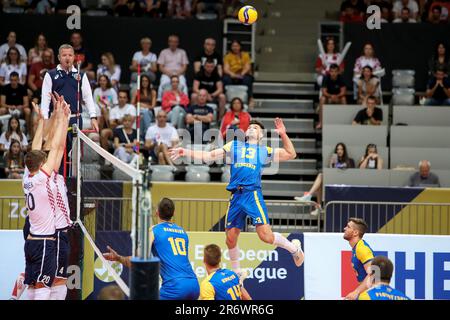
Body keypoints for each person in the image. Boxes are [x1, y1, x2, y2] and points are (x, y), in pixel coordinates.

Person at [170, 118, 305, 277]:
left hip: (252, 194)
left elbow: (291, 154)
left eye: (255, 128)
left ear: (261, 135)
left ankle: (295, 249)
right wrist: (185, 152)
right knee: (230, 239)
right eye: (250, 127)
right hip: (236, 196)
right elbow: (209, 156)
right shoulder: (234, 146)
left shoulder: (264, 151)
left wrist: (283, 134)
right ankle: (237, 272)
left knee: (265, 237)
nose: (251, 128)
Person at [103, 198, 200, 300]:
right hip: (194, 285)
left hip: (175, 286)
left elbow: (137, 260)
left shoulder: (154, 231)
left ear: (156, 212)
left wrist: (118, 258)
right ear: (173, 213)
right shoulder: (182, 232)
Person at [22, 95, 70, 300]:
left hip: (34, 238)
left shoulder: (27, 176)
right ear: (42, 167)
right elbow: (57, 148)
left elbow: (35, 150)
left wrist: (41, 122)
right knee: (47, 285)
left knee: (37, 284)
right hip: (45, 240)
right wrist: (63, 118)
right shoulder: (43, 178)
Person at [41, 44, 99, 172]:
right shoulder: (50, 75)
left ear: (74, 57)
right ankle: (58, 181)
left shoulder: (80, 75)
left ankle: (73, 184)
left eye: (70, 55)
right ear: (59, 57)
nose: (67, 58)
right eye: (64, 55)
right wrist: (45, 120)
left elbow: (88, 97)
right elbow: (45, 100)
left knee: (74, 155)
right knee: (56, 152)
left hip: (75, 120)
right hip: (57, 120)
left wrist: (93, 117)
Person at [295, 142, 355, 215]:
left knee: (320, 176)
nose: (339, 151)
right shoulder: (334, 161)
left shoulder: (350, 161)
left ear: (344, 150)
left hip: (346, 183)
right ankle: (317, 205)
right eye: (338, 149)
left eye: (341, 149)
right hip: (333, 182)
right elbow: (330, 173)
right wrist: (331, 163)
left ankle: (309, 196)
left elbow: (353, 173)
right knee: (320, 178)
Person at [343, 217, 374, 300]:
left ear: (355, 232)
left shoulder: (362, 248)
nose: (344, 228)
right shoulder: (356, 248)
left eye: (348, 227)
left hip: (371, 295)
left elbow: (374, 274)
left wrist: (356, 292)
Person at [157, 34, 189, 100]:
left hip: (179, 74)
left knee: (183, 83)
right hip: (167, 74)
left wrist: (176, 74)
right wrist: (169, 74)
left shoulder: (182, 52)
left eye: (175, 42)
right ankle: (160, 100)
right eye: (171, 41)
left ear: (178, 43)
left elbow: (185, 67)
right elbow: (160, 67)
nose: (173, 43)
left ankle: (185, 100)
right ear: (168, 42)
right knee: (163, 83)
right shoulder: (164, 52)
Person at [223, 40, 254, 106]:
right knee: (225, 79)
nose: (235, 48)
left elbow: (247, 67)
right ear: (231, 47)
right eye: (233, 46)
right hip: (232, 75)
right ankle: (225, 99)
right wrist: (233, 75)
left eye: (237, 46)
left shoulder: (245, 55)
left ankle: (250, 99)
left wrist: (241, 74)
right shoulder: (227, 56)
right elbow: (226, 69)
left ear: (240, 47)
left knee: (248, 79)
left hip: (242, 75)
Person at [316, 64, 347, 129]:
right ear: (329, 72)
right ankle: (321, 122)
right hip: (328, 97)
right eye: (332, 71)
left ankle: (345, 122)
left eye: (335, 71)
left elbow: (343, 92)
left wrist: (336, 96)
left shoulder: (341, 78)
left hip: (338, 97)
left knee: (344, 99)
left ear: (338, 72)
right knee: (322, 99)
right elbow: (324, 91)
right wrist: (331, 96)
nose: (333, 73)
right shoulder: (325, 77)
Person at [132, 74, 157, 140]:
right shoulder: (137, 92)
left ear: (149, 82)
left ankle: (142, 136)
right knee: (142, 116)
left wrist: (143, 105)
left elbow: (153, 106)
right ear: (140, 82)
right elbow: (132, 105)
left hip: (149, 112)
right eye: (143, 81)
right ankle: (148, 134)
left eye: (146, 81)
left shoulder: (153, 92)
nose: (144, 82)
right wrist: (138, 105)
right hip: (138, 111)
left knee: (145, 113)